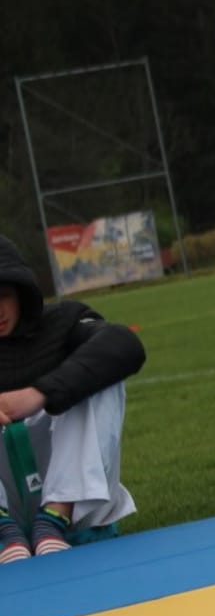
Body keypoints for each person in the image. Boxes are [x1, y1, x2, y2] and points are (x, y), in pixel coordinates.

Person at [0, 236, 143, 561]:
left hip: (73, 504)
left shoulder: (61, 322)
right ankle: (4, 533)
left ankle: (55, 518)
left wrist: (39, 393)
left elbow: (124, 344)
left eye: (3, 296)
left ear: (20, 293)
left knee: (100, 374)